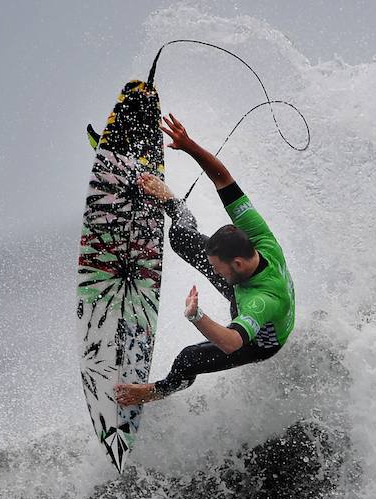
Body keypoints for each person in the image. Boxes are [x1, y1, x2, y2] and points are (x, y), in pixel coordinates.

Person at [114, 113, 295, 406]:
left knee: (190, 358)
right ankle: (173, 203)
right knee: (183, 238)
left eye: (216, 269)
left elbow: (231, 341)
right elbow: (222, 178)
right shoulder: (258, 237)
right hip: (247, 285)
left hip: (260, 340)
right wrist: (188, 145)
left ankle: (157, 391)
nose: (212, 273)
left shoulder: (260, 301)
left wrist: (196, 316)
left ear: (235, 264)